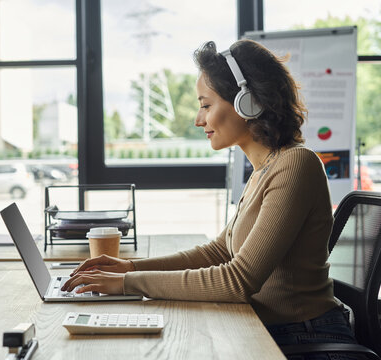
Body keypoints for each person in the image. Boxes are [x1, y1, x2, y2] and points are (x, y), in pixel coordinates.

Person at [62, 39, 363, 359]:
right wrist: (129, 267)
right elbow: (220, 250)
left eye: (206, 105)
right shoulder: (265, 168)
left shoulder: (295, 164)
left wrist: (128, 283)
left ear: (249, 101)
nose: (198, 119)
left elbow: (237, 281)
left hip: (306, 338)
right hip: (272, 329)